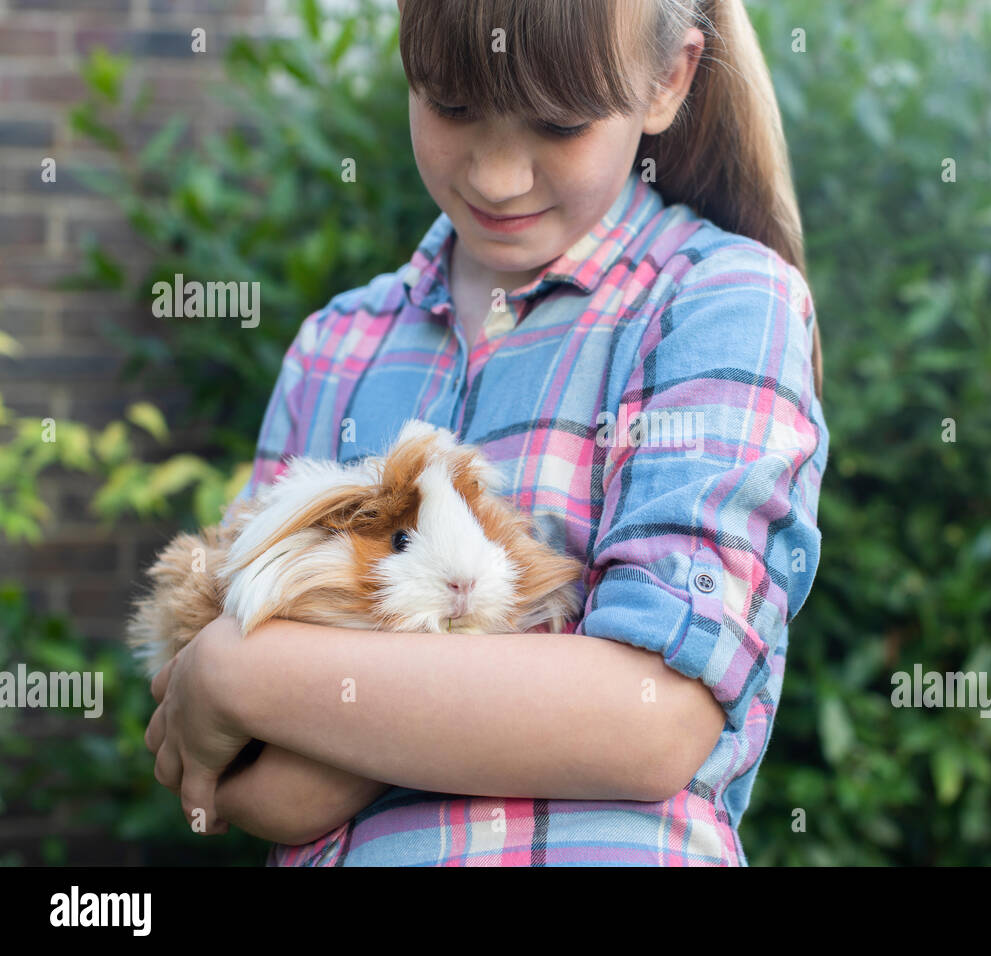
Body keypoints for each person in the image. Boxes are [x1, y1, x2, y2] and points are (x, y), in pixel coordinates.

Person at [145, 0, 828, 866]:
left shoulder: (720, 301)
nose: (500, 176)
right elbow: (251, 781)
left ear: (669, 79)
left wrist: (252, 678)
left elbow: (649, 720)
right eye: (454, 105)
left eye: (559, 121)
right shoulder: (334, 347)